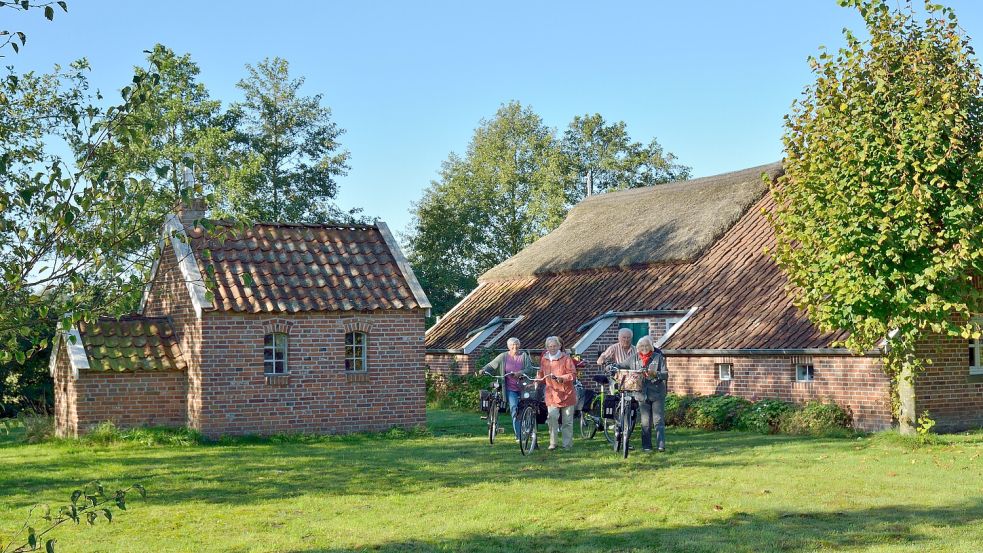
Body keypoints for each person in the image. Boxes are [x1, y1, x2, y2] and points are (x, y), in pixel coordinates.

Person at [613, 336, 668, 453]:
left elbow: (665, 374)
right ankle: (647, 446)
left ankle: (661, 445)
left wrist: (655, 374)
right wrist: (612, 366)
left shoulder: (658, 357)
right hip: (642, 394)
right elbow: (621, 365)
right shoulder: (634, 359)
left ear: (651, 347)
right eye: (642, 346)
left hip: (657, 393)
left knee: (658, 420)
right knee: (645, 422)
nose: (644, 348)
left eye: (646, 346)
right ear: (638, 348)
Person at [480, 337, 536, 442]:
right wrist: (483, 369)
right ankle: (519, 436)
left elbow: (530, 369)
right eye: (512, 345)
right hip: (510, 389)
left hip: (523, 387)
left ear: (519, 345)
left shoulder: (524, 356)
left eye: (516, 345)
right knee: (514, 409)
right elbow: (492, 365)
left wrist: (520, 372)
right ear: (508, 346)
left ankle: (527, 429)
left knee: (524, 410)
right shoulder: (503, 356)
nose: (515, 347)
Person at [537, 336, 577, 450]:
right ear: (546, 348)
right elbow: (541, 373)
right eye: (550, 346)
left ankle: (567, 445)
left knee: (567, 421)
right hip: (552, 393)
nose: (552, 348)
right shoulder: (544, 359)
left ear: (559, 346)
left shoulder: (566, 358)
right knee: (552, 418)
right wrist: (536, 380)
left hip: (567, 393)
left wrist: (562, 378)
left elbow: (573, 374)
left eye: (554, 346)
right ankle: (553, 443)